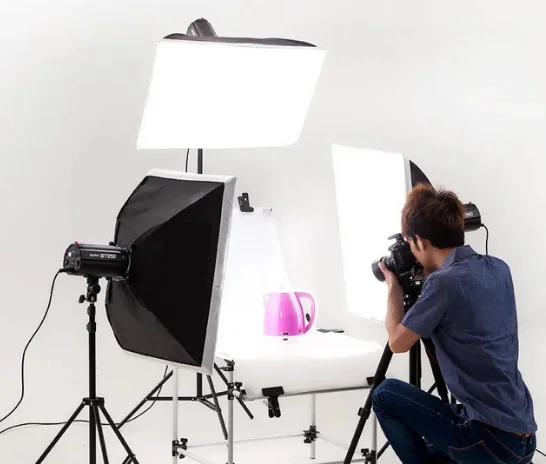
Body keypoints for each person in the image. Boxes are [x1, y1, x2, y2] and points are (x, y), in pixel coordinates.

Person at [373, 183, 537, 464]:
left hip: (489, 442)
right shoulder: (499, 268)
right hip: (522, 439)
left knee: (385, 394)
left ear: (420, 241)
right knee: (437, 437)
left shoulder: (442, 284)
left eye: (410, 244)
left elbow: (397, 343)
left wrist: (393, 288)